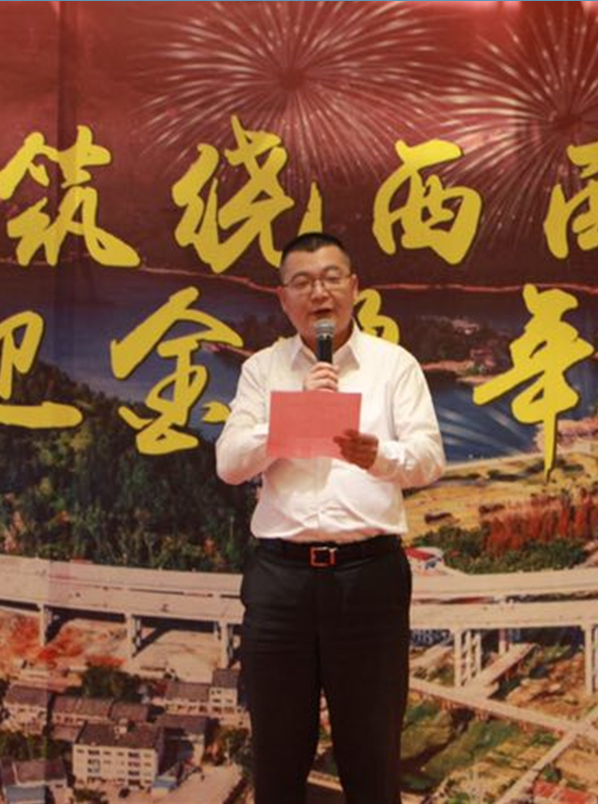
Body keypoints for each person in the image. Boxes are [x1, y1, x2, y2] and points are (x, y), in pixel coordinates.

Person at [216, 232, 445, 804]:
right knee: (278, 757)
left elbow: (429, 460)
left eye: (331, 278)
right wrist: (291, 414)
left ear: (355, 287)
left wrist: (379, 455)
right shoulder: (263, 369)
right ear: (283, 298)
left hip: (368, 579)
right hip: (281, 582)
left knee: (372, 760)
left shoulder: (393, 366)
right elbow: (230, 464)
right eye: (302, 282)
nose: (319, 293)